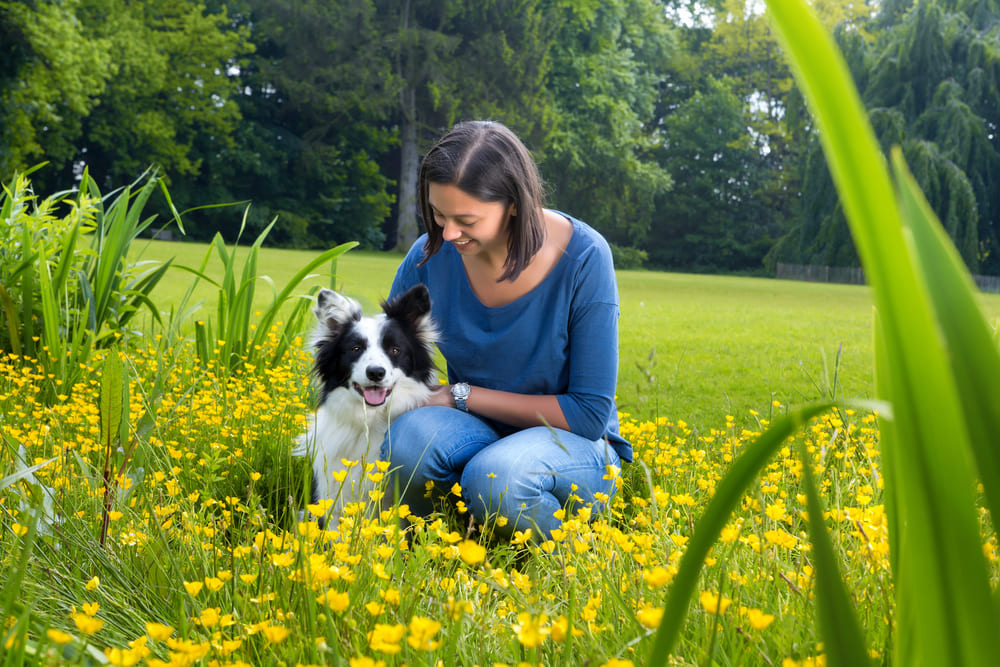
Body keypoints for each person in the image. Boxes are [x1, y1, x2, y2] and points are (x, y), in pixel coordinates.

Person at [380, 120, 631, 541]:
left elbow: (587, 415)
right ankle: (431, 548)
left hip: (575, 446)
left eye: (466, 219)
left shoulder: (585, 258)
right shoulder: (429, 257)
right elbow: (390, 359)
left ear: (514, 203)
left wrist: (461, 395)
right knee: (408, 440)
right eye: (438, 214)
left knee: (498, 477)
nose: (448, 233)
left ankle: (568, 564)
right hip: (475, 429)